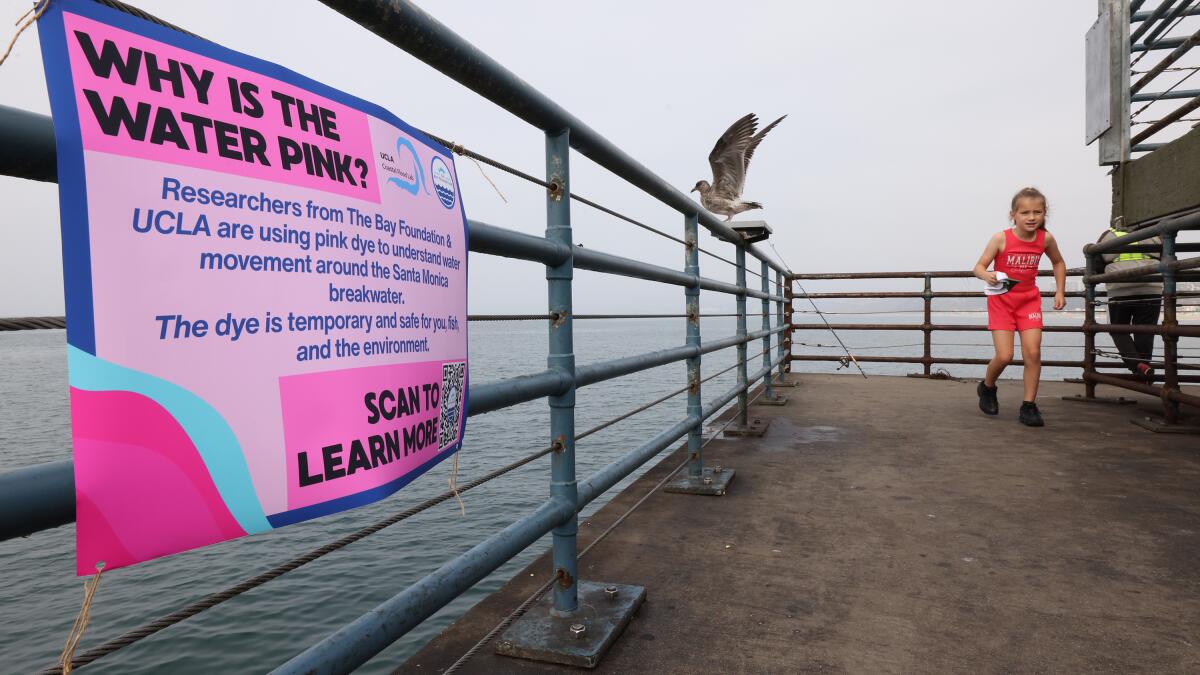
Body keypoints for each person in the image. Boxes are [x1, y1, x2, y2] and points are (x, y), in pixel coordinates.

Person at [972, 187, 1067, 426]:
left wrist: (1059, 290)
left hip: (1028, 301)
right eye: (1025, 212)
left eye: (1037, 212)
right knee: (1005, 356)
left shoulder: (1045, 238)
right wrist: (988, 275)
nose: (1032, 217)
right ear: (1013, 214)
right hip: (1001, 301)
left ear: (1044, 214)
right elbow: (978, 267)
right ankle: (987, 387)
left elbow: (1058, 262)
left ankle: (1029, 406)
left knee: (1033, 353)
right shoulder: (1000, 238)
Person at [1097, 222, 1161, 382]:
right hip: (1151, 287)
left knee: (1118, 329)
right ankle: (1144, 372)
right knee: (1145, 330)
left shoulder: (1108, 235)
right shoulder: (1155, 233)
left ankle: (1138, 366)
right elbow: (1169, 257)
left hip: (1120, 288)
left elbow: (1096, 264)